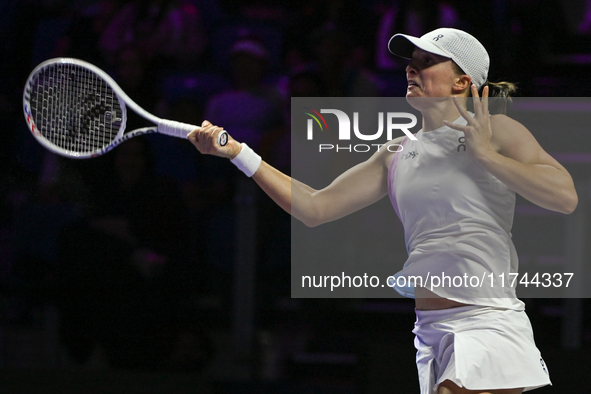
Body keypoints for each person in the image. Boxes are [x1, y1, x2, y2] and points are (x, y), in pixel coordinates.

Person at [187, 28, 578, 394]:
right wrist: (238, 153)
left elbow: (564, 197)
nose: (412, 67)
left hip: (486, 320)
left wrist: (486, 156)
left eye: (427, 61)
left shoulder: (498, 131)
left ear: (462, 81)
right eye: (412, 61)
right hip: (430, 330)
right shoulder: (396, 153)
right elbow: (314, 207)